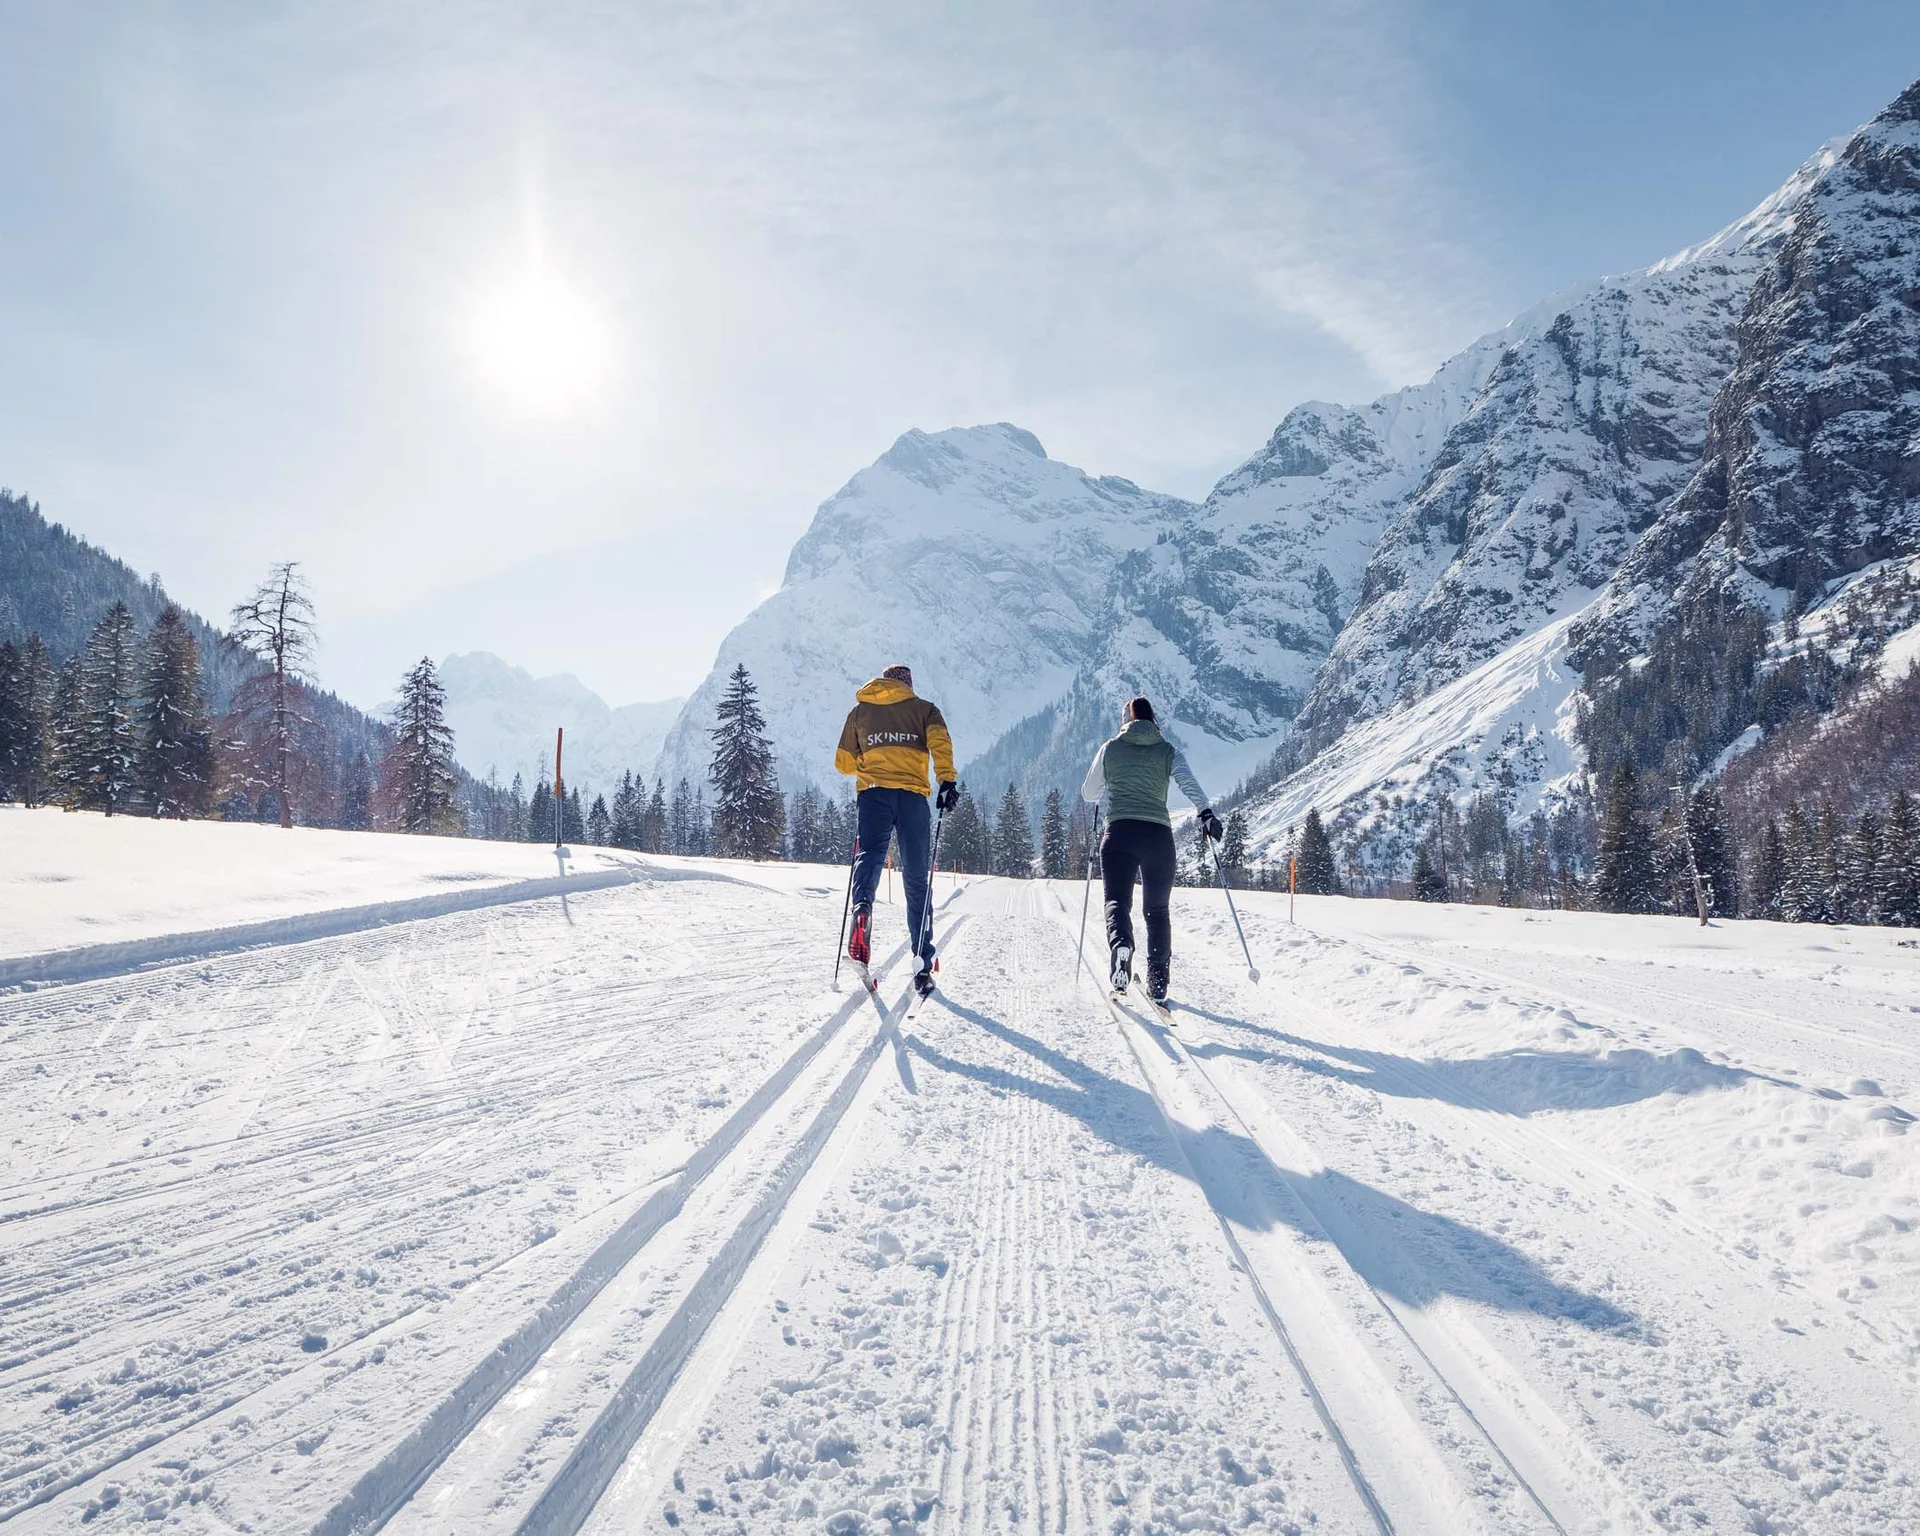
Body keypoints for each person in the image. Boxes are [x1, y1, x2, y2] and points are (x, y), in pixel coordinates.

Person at [1080, 696, 1221, 1001]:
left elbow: (1089, 792)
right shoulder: (1168, 751)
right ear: (1152, 720)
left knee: (1117, 901)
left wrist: (1108, 784)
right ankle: (1158, 985)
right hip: (1158, 836)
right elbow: (1188, 782)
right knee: (1157, 911)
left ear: (1125, 721)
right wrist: (1206, 813)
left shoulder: (1110, 748)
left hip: (1119, 834)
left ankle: (1121, 947)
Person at [835, 663, 958, 996]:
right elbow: (941, 744)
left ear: (882, 682)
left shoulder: (860, 712)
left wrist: (871, 756)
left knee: (870, 855)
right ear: (908, 685)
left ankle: (862, 910)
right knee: (917, 878)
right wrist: (946, 780)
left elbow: (843, 763)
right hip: (912, 799)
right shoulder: (924, 710)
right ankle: (922, 961)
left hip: (873, 794)